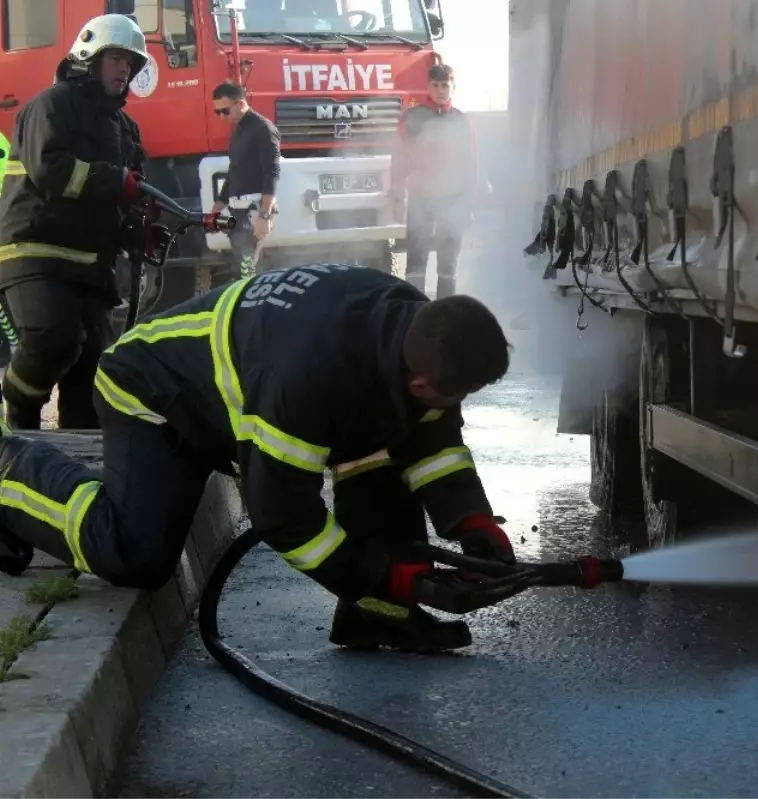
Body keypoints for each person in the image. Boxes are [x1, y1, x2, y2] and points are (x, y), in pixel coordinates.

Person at [0, 264, 516, 652]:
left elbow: (431, 441)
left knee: (377, 455)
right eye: (461, 393)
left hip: (235, 395)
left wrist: (473, 521)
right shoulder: (308, 377)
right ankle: (9, 473)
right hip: (155, 396)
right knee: (134, 554)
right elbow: (285, 516)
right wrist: (381, 574)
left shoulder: (414, 329)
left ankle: (379, 616)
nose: (461, 404)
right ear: (423, 382)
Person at [0, 14, 149, 430]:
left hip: (92, 265)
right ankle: (17, 416)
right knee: (54, 340)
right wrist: (115, 181)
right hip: (35, 252)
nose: (124, 70)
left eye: (130, 64)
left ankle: (76, 469)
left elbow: (132, 192)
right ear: (89, 55)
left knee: (93, 374)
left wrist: (142, 225)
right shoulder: (51, 105)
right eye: (116, 58)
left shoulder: (125, 129)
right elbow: (51, 169)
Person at [390, 63, 479, 299]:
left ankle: (446, 311)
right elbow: (398, 160)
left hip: (454, 198)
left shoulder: (462, 121)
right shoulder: (412, 118)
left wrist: (469, 204)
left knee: (448, 262)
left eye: (445, 85)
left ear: (453, 87)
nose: (440, 90)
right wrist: (397, 196)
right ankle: (415, 311)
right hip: (421, 197)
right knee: (416, 260)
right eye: (436, 85)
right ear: (428, 87)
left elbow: (472, 163)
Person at [208, 81, 280, 284]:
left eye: (225, 111)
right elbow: (234, 171)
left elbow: (272, 171)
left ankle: (255, 306)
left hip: (255, 209)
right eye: (217, 113)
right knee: (240, 264)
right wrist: (217, 207)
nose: (221, 117)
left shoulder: (263, 128)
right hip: (238, 211)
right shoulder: (238, 131)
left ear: (240, 104)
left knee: (247, 267)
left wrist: (264, 214)